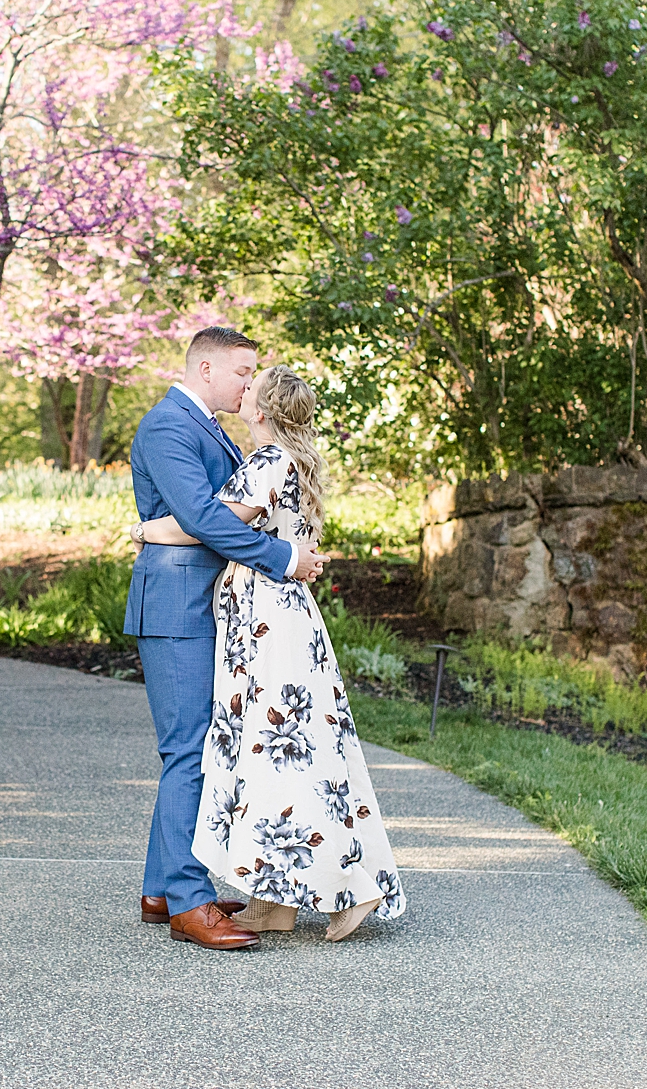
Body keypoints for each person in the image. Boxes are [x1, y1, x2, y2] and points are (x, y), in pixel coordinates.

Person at [135, 365, 406, 942]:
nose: (244, 389)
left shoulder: (264, 462)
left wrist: (148, 530)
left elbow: (206, 525)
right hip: (286, 615)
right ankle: (275, 900)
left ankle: (348, 890)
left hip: (263, 619)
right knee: (289, 752)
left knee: (281, 753)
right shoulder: (298, 462)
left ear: (262, 410)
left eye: (251, 387)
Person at [124, 327, 330, 951]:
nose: (250, 385)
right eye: (243, 372)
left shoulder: (206, 425)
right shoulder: (169, 427)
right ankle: (190, 902)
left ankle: (162, 887)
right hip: (177, 605)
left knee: (193, 746)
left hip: (200, 603)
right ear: (206, 367)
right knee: (188, 750)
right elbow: (206, 518)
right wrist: (281, 558)